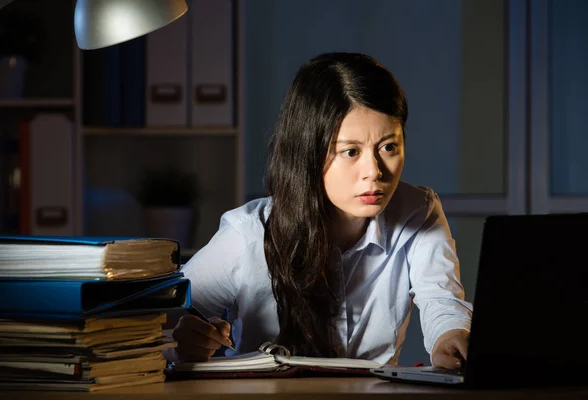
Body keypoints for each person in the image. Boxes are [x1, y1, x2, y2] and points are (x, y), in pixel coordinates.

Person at [171, 52, 473, 369]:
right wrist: (185, 339)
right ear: (309, 152)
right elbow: (170, 316)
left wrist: (448, 338)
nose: (374, 171)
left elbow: (442, 300)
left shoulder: (418, 212)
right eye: (350, 151)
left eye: (388, 147)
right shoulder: (248, 234)